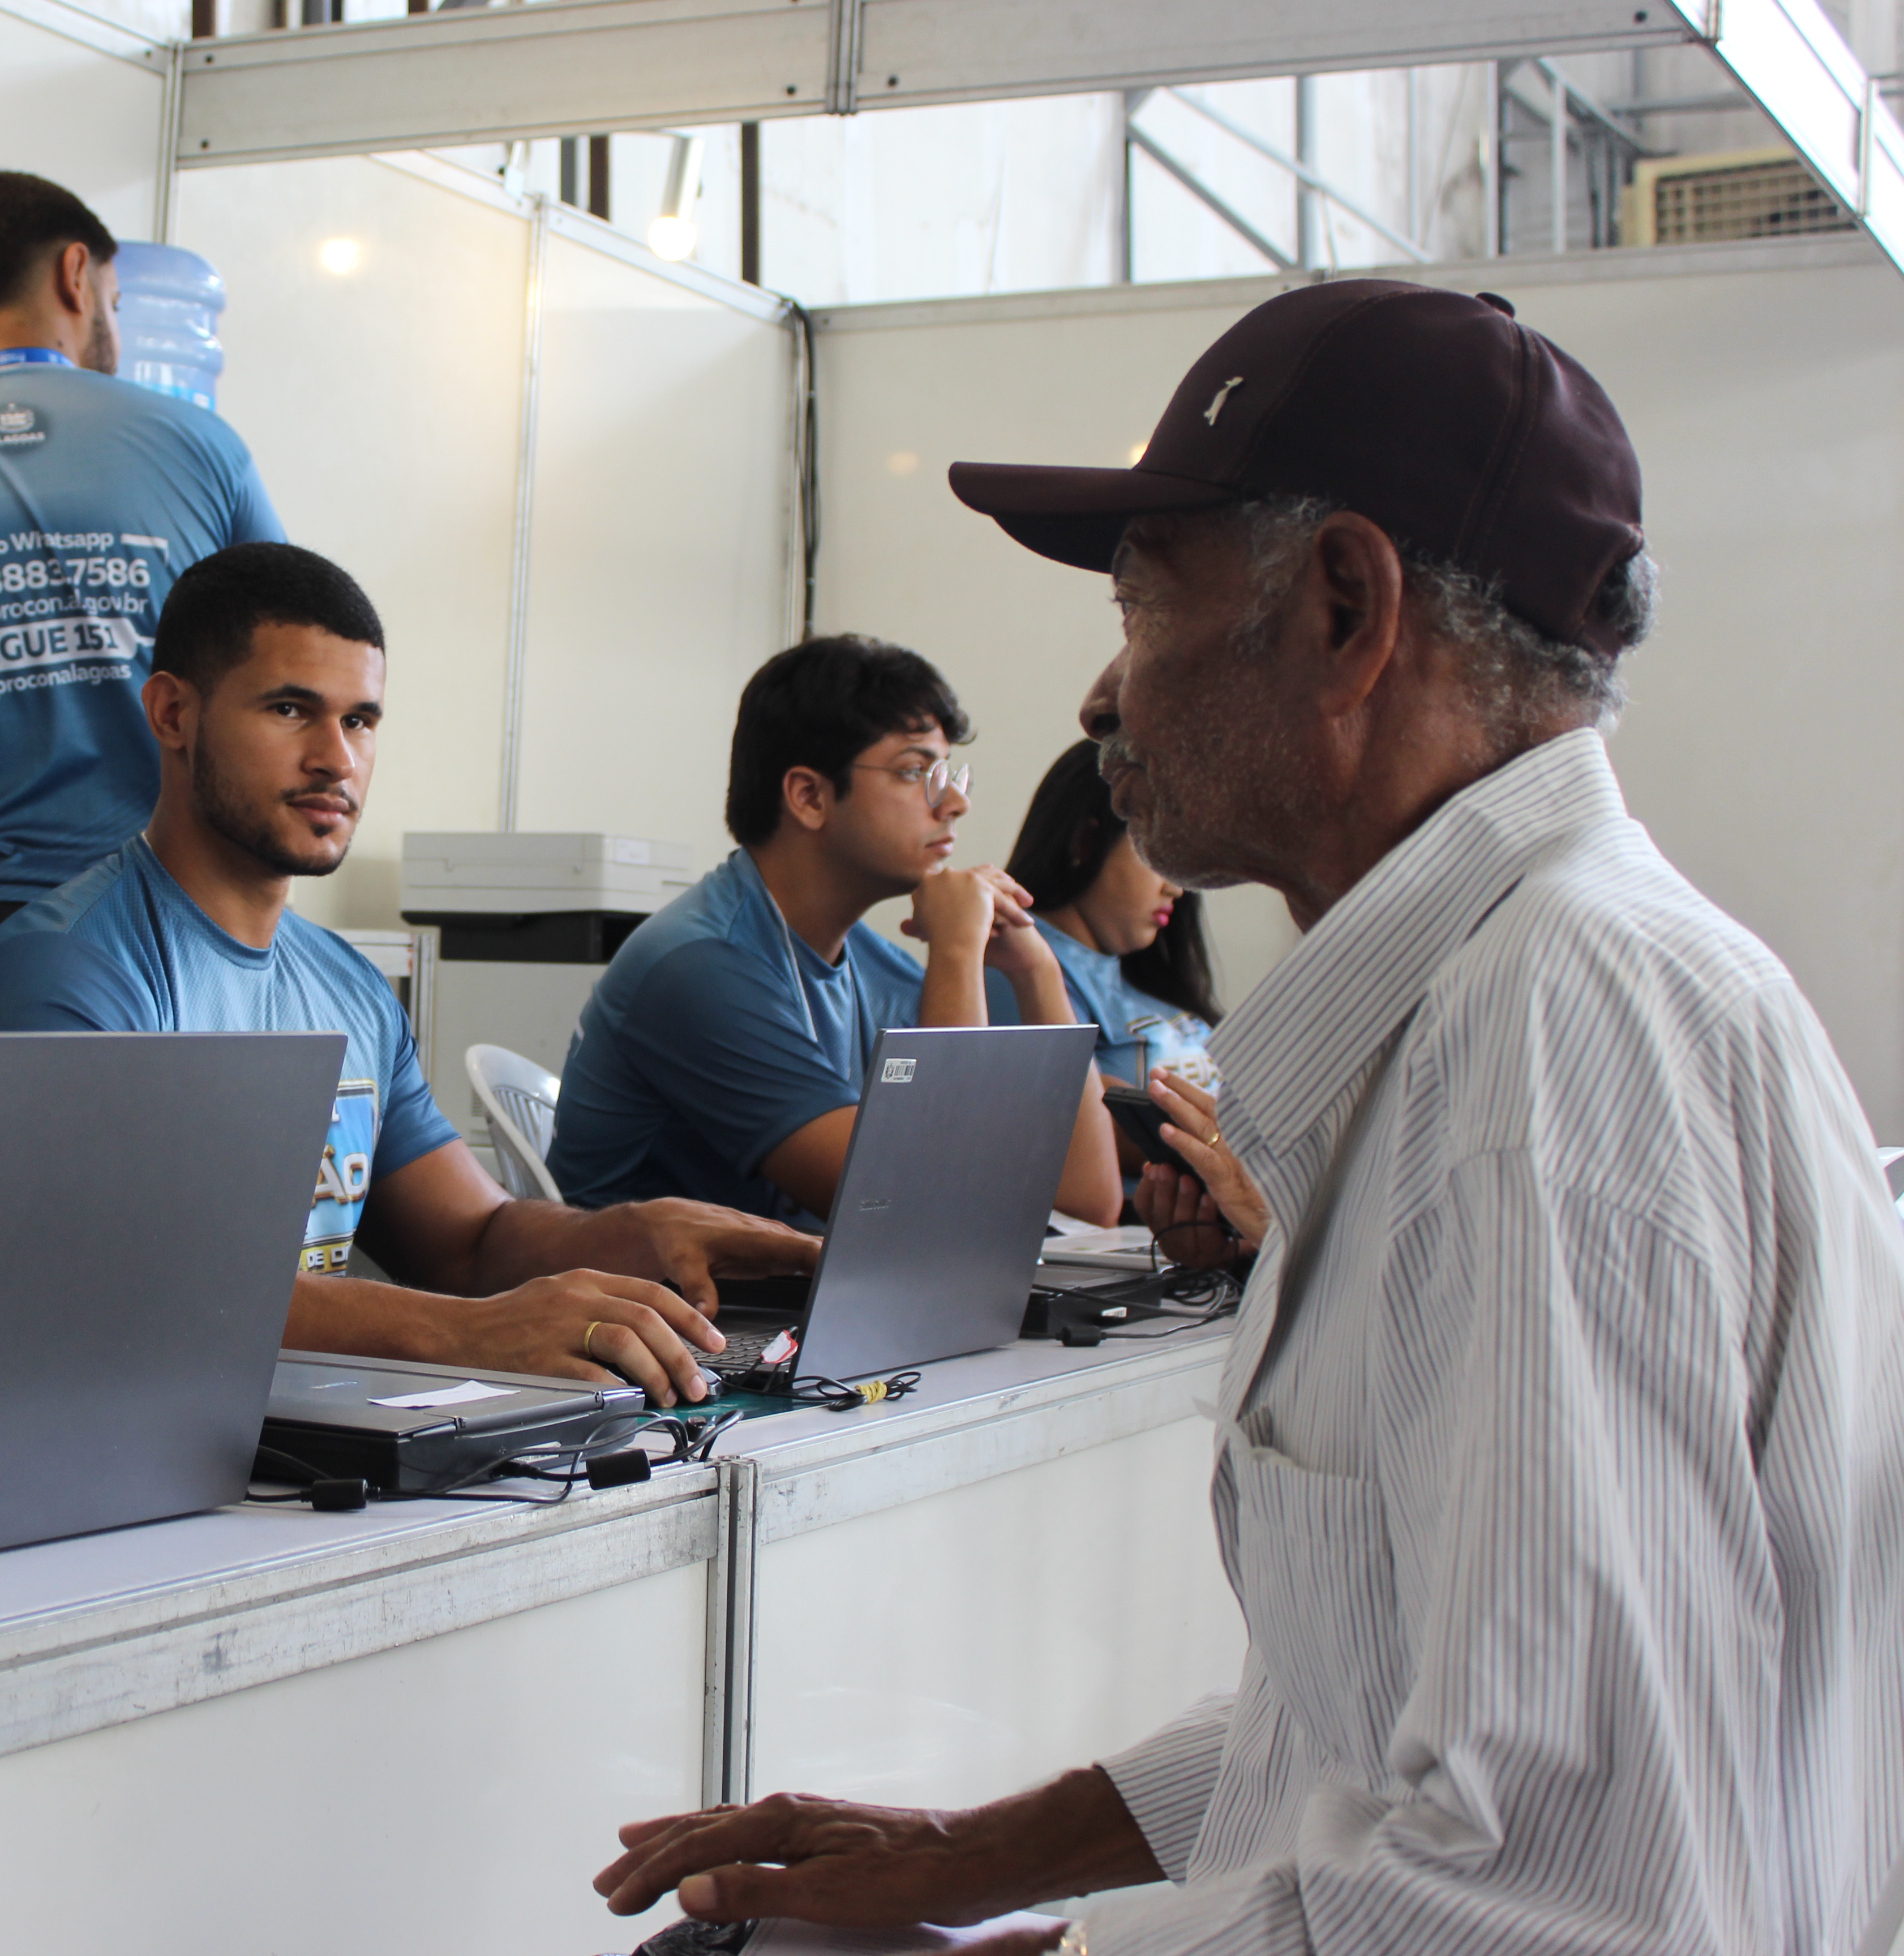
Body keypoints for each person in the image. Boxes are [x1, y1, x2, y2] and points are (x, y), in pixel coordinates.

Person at [595, 281, 1904, 1952]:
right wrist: (960, 1855)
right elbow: (1387, 1725)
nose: (1098, 697)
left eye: (1144, 606)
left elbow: (1562, 1896)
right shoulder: (1489, 1014)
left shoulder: (1551, 1052)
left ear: (1347, 609)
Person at [0, 543, 815, 1406]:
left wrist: (633, 1232)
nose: (337, 758)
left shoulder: (348, 987)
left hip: (308, 1441)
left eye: (361, 721)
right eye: (291, 710)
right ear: (173, 713)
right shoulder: (62, 975)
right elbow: (108, 1302)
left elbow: (469, 1242)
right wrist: (463, 1332)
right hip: (122, 1467)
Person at [545, 636, 1121, 1232]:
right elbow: (920, 1214)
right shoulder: (702, 967)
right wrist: (955, 950)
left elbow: (1090, 1201)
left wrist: (1036, 969)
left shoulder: (867, 963)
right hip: (667, 1314)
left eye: (950, 774)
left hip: (787, 1309)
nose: (954, 803)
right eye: (916, 771)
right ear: (810, 796)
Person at [0, 170, 286, 1006]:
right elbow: (291, 669)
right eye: (112, 296)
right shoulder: (201, 446)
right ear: (78, 275)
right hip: (161, 908)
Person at [1002, 739, 1265, 1263]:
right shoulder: (1015, 966)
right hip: (1121, 1251)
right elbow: (1108, 1120)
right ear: (1085, 838)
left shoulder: (1149, 977)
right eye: (1158, 850)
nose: (1179, 888)